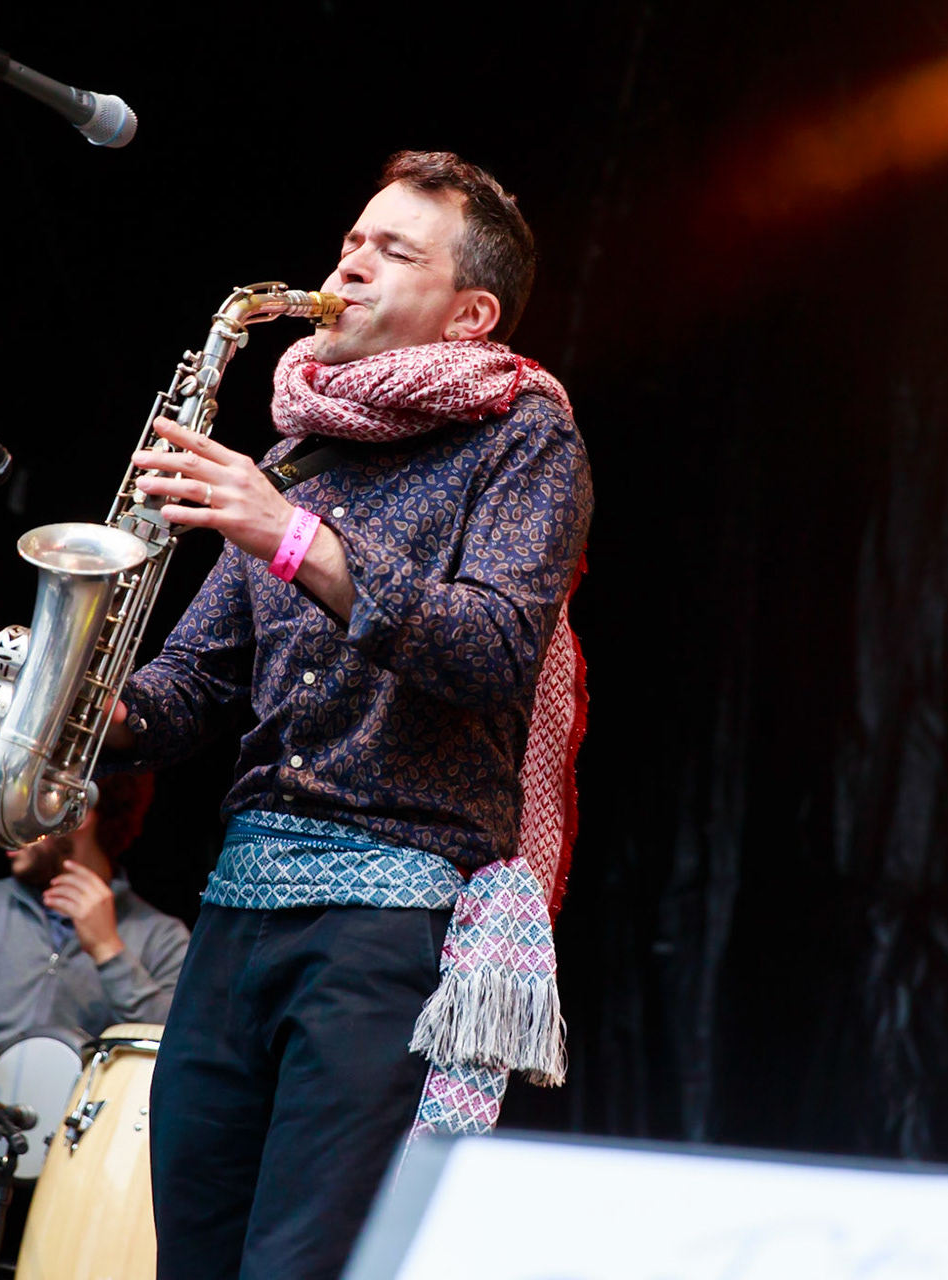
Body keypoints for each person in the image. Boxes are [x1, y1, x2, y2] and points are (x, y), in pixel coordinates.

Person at [102, 151, 593, 1280]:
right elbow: (201, 682)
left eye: (394, 249)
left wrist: (294, 538)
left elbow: (492, 647)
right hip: (233, 920)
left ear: (470, 313)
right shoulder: (296, 454)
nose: (351, 261)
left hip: (386, 928)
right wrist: (88, 714)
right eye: (353, 240)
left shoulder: (525, 438)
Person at [0, 772, 188, 1280]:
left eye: (25, 811)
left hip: (90, 1163)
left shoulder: (160, 937)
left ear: (77, 810)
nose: (5, 829)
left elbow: (184, 1059)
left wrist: (108, 950)